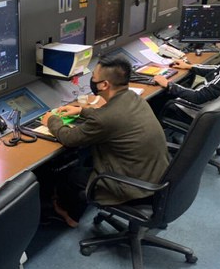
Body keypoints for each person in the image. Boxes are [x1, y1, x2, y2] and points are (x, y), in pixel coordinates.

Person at [38, 56, 169, 227]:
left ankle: (69, 216)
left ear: (104, 85)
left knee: (70, 174)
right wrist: (81, 111)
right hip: (155, 177)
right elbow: (111, 116)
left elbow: (70, 138)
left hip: (133, 187)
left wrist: (51, 120)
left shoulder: (106, 118)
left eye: (93, 77)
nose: (92, 80)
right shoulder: (133, 98)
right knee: (88, 159)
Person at [153, 22, 220, 124]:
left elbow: (197, 97)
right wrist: (190, 66)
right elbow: (218, 69)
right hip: (216, 111)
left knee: (155, 100)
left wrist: (168, 84)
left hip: (199, 113)